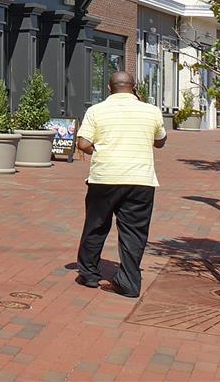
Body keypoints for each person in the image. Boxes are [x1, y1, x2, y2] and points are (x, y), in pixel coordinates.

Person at [73, 70, 167, 297]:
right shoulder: (151, 111)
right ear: (134, 87)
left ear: (109, 87)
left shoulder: (96, 110)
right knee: (134, 231)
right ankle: (129, 282)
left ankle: (89, 274)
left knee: (96, 225)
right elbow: (160, 141)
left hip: (105, 177)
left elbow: (83, 143)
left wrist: (98, 150)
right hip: (140, 180)